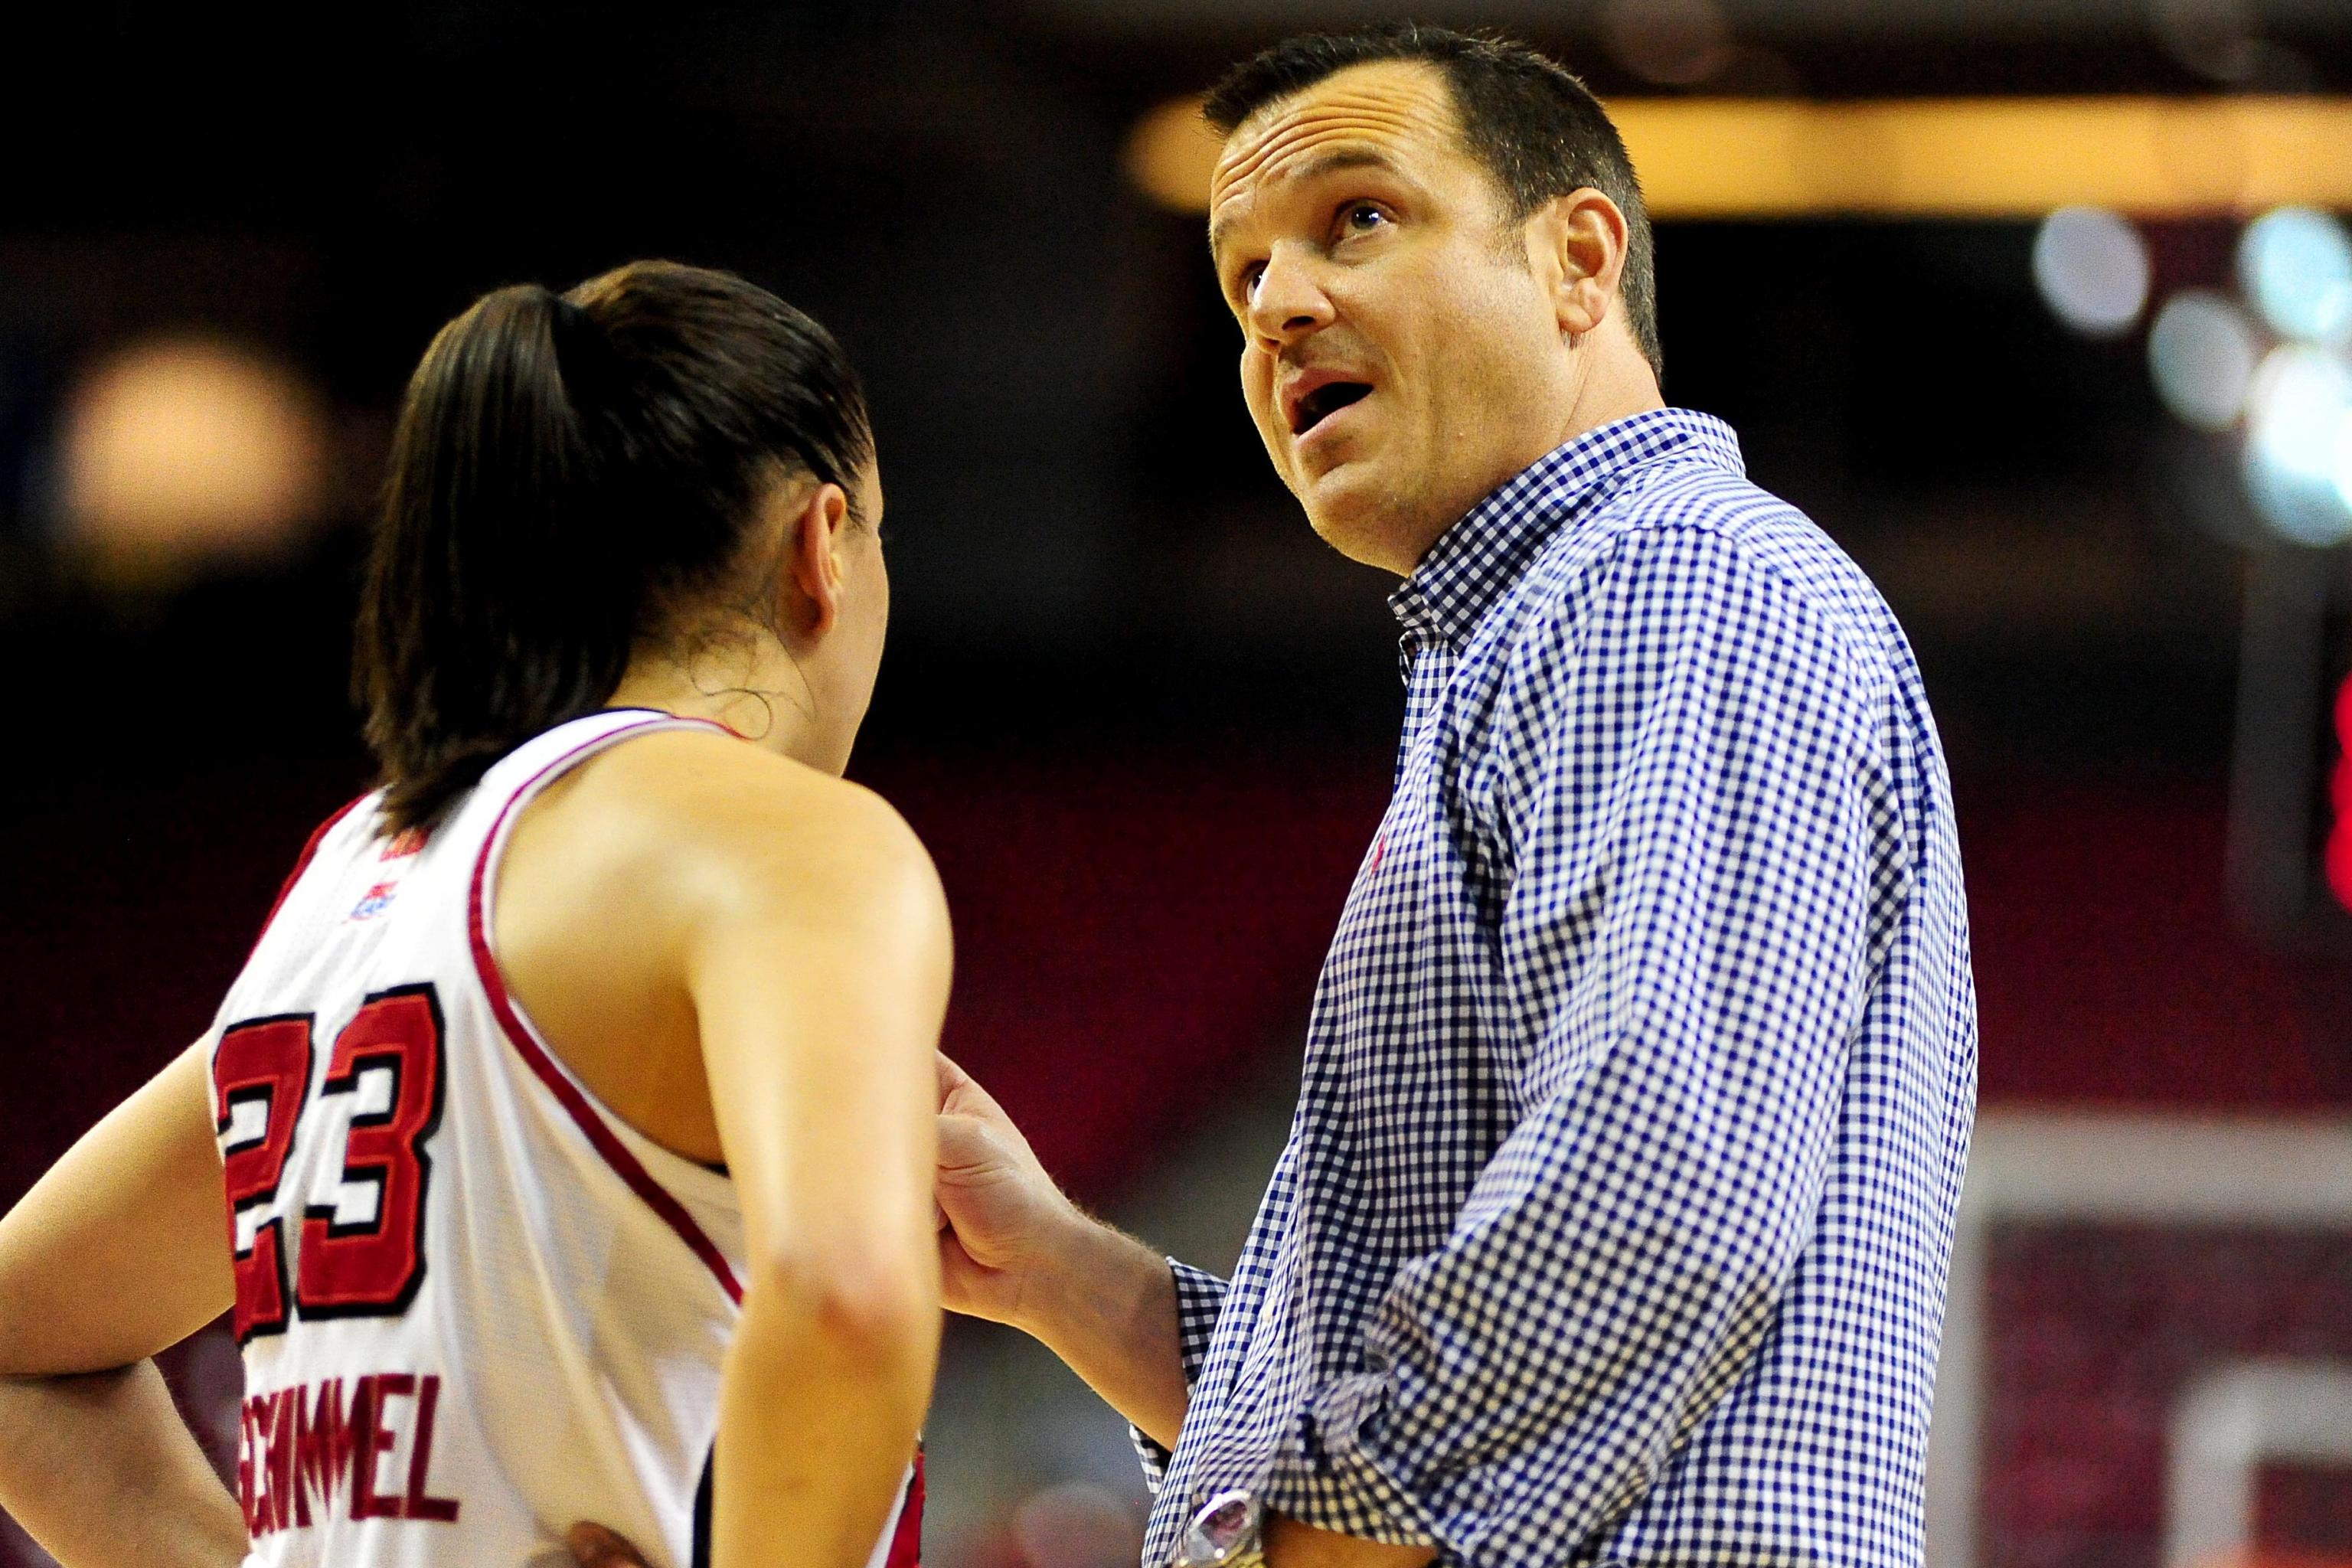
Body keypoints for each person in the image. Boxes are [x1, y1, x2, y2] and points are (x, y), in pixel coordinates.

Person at [929, 25, 1977, 1568]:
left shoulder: (1675, 581)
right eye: (1240, 277)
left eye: (1356, 216)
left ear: (1577, 260)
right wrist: (1055, 1271)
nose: (1280, 302)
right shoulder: (1548, 627)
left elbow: (1652, 1204)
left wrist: (1301, 1552)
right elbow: (1471, 1357)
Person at [0, 261, 948, 1568]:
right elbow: (847, 1301)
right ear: (822, 546)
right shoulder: (786, 838)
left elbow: (18, 1349)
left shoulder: (358, 865)